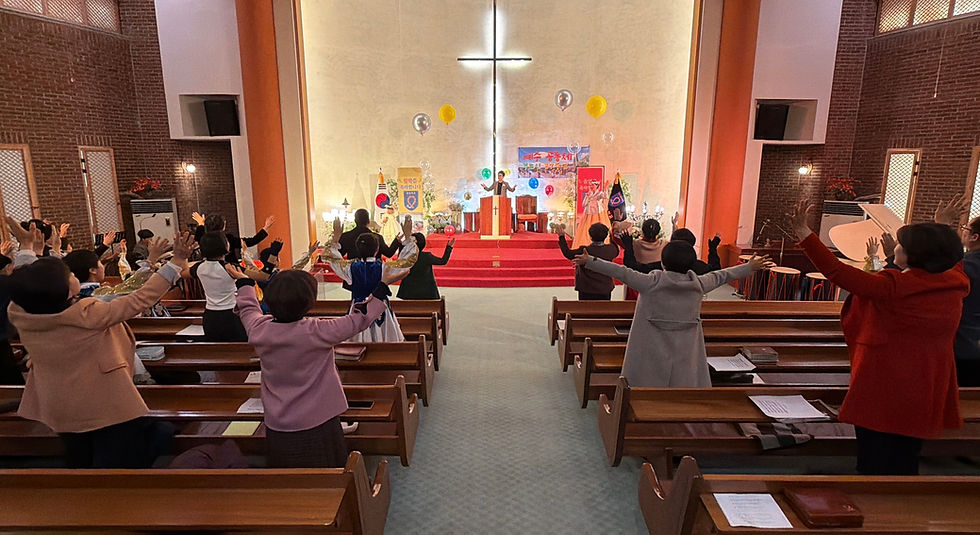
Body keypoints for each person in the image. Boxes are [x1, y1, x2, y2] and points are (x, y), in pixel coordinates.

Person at [789, 200, 967, 475]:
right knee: (907, 455)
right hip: (926, 383)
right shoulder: (954, 282)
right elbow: (944, 254)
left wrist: (804, 232)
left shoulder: (892, 287)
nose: (895, 247)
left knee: (875, 456)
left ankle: (873, 496)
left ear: (912, 255)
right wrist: (942, 224)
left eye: (900, 245)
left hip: (885, 386)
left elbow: (836, 271)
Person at [7, 227, 195, 468]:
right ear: (62, 289)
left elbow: (27, 285)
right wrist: (178, 260)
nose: (73, 276)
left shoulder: (23, 314)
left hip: (60, 405)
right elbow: (141, 298)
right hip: (104, 405)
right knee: (116, 463)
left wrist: (27, 249)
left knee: (80, 459)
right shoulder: (86, 314)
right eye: (69, 276)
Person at [229, 267, 407, 467]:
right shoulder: (318, 331)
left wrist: (244, 283)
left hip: (279, 421)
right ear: (308, 303)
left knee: (287, 471)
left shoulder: (259, 329)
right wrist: (382, 286)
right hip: (319, 419)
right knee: (328, 469)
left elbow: (248, 309)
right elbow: (359, 320)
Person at [572, 240, 769, 387]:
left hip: (649, 347)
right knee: (681, 378)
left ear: (662, 263)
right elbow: (724, 275)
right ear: (691, 265)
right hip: (684, 349)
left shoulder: (649, 283)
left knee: (645, 381)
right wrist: (749, 267)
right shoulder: (699, 284)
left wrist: (590, 261)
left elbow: (620, 272)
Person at [323, 216, 417, 342]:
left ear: (358, 249)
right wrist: (408, 235)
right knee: (387, 343)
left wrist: (336, 237)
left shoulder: (349, 268)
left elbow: (331, 256)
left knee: (357, 340)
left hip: (357, 308)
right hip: (381, 308)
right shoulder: (385, 268)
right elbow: (407, 260)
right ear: (377, 249)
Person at [190, 232, 260, 342]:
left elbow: (182, 271)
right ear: (225, 246)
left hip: (210, 316)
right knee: (239, 350)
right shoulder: (230, 268)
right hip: (232, 314)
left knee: (216, 351)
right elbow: (260, 277)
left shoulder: (198, 267)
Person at [558, 223, 619, 300]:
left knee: (584, 310)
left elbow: (568, 253)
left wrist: (561, 237)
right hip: (604, 288)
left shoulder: (584, 251)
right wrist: (611, 236)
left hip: (586, 288)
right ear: (606, 235)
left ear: (590, 236)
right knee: (603, 310)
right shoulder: (611, 250)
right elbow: (616, 248)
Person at [614, 218, 668, 300]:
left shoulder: (633, 244)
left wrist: (619, 223)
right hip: (656, 283)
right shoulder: (665, 245)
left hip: (635, 283)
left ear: (642, 231)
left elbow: (615, 237)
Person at [192, 212, 275, 264]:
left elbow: (198, 238)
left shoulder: (204, 241)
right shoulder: (228, 239)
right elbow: (252, 241)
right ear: (223, 226)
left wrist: (201, 224)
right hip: (232, 273)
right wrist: (266, 228)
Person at [397, 233, 453, 300]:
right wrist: (448, 247)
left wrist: (400, 245)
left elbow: (400, 259)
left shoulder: (406, 257)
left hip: (408, 292)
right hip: (427, 292)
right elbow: (443, 261)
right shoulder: (427, 256)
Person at [572, 180, 609, 248]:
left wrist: (605, 188)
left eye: (593, 185)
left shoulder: (600, 194)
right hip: (588, 214)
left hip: (598, 214)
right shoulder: (589, 194)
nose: (591, 186)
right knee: (586, 229)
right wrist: (587, 197)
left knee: (598, 226)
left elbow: (605, 196)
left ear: (597, 186)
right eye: (590, 185)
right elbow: (583, 205)